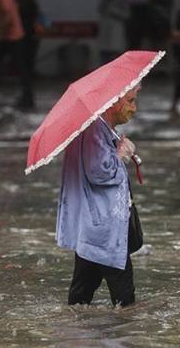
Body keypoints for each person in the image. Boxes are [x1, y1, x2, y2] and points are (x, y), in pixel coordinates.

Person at [57, 87, 141, 308]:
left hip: (93, 231)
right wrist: (120, 154)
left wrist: (118, 147)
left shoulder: (100, 127)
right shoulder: (94, 129)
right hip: (105, 231)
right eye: (130, 101)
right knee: (125, 302)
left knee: (79, 301)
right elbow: (98, 171)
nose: (134, 108)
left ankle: (76, 337)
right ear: (113, 102)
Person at [98, 0, 130, 64]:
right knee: (104, 57)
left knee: (115, 56)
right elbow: (100, 10)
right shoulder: (105, 0)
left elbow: (127, 15)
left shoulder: (121, 0)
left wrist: (114, 11)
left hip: (116, 32)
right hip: (105, 32)